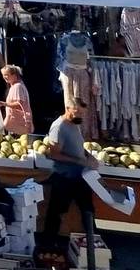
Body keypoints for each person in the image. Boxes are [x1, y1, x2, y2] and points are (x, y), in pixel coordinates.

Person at [39, 106, 99, 260]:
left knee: (88, 210)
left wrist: (88, 156)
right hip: (63, 177)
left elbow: (79, 146)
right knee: (56, 212)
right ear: (68, 108)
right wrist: (79, 160)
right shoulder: (58, 127)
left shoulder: (75, 124)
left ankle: (96, 247)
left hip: (80, 176)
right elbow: (54, 154)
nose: (81, 116)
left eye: (83, 113)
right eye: (77, 112)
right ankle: (48, 246)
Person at [2, 65, 34, 135]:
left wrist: (3, 104)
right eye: (3, 75)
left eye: (6, 75)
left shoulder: (17, 87)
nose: (4, 77)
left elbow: (19, 105)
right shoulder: (15, 86)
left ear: (14, 75)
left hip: (20, 126)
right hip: (17, 125)